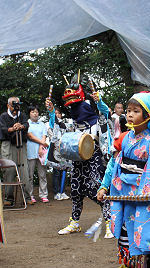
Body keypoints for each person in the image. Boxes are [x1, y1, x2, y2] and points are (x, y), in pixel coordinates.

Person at [96, 92, 150, 268]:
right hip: (124, 193)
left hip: (146, 195)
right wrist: (104, 185)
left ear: (147, 115)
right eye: (129, 111)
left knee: (148, 232)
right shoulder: (122, 139)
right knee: (125, 232)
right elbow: (113, 165)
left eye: (136, 111)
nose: (130, 115)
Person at [46, 73, 112, 238]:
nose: (77, 110)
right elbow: (57, 125)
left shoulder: (97, 122)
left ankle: (110, 222)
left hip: (94, 159)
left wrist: (99, 101)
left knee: (97, 189)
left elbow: (106, 114)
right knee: (75, 190)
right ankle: (75, 222)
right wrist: (52, 111)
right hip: (78, 161)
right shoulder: (73, 125)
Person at [0, 97, 32, 205]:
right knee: (9, 169)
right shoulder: (4, 116)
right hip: (8, 144)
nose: (16, 108)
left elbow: (26, 124)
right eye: (13, 105)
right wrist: (13, 128)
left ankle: (27, 197)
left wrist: (21, 126)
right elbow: (3, 129)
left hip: (21, 144)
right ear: (8, 105)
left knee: (24, 169)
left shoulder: (21, 115)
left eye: (17, 105)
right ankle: (9, 198)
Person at [26, 106, 49, 203]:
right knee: (29, 175)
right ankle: (30, 195)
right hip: (30, 151)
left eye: (36, 112)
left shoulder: (42, 124)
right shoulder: (27, 123)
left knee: (42, 174)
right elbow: (30, 136)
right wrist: (42, 143)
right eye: (32, 112)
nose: (35, 113)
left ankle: (43, 195)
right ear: (29, 113)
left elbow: (44, 135)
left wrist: (41, 146)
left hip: (41, 153)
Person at [48, 107, 70, 201]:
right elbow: (52, 137)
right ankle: (56, 192)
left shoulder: (65, 125)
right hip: (55, 152)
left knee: (64, 171)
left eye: (59, 113)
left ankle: (63, 191)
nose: (57, 115)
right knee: (56, 172)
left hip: (64, 152)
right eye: (55, 113)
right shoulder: (50, 126)